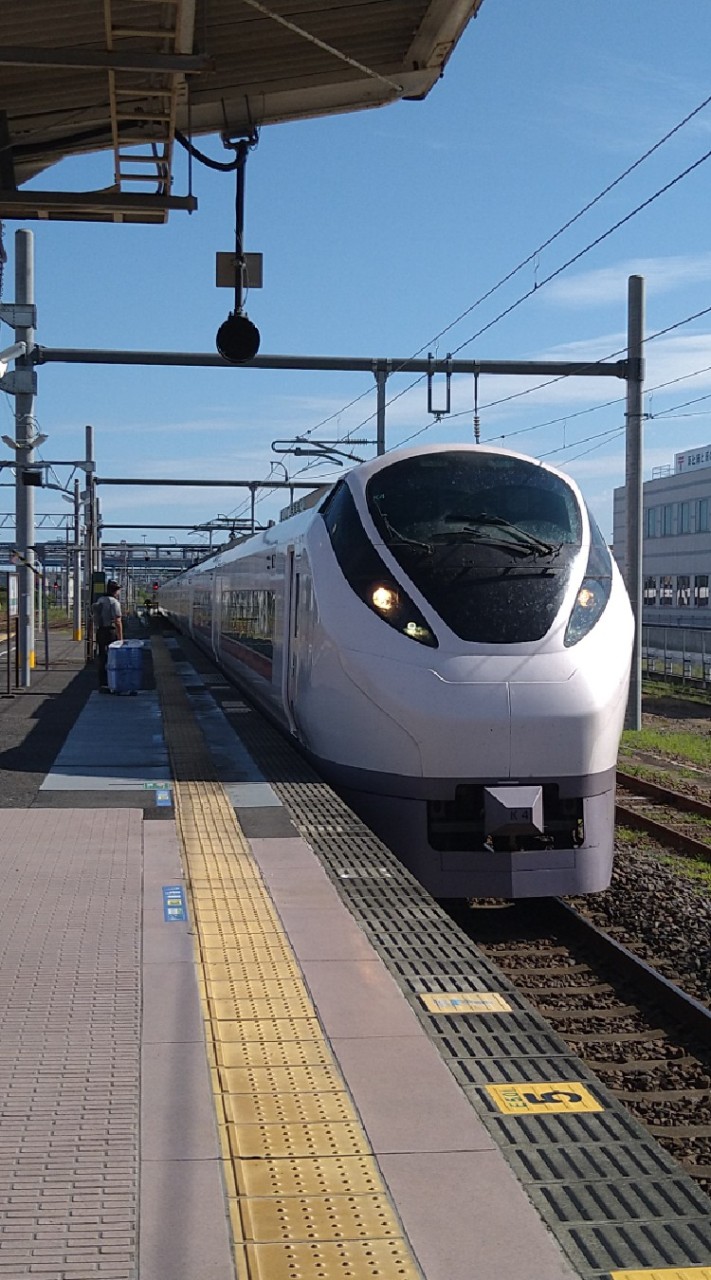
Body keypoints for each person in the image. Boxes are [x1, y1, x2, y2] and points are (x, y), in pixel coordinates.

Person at [93, 581, 123, 690]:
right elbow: (118, 621)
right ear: (115, 590)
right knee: (113, 658)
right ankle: (112, 681)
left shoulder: (100, 600)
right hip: (111, 632)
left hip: (100, 632)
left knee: (102, 657)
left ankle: (103, 682)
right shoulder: (114, 602)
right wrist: (120, 639)